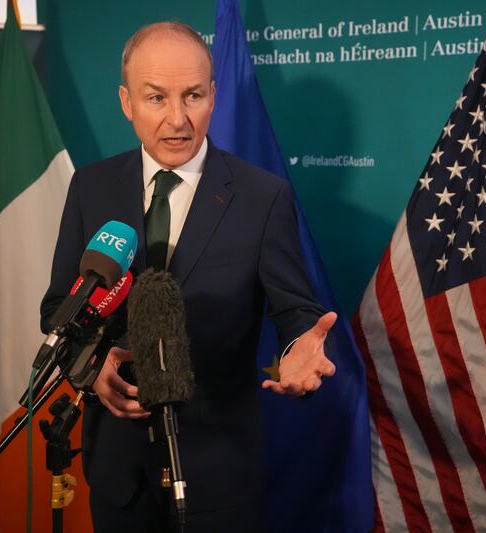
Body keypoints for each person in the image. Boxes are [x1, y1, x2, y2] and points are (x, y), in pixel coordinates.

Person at [41, 21, 336, 533]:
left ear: (214, 95)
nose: (178, 119)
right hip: (117, 470)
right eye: (156, 98)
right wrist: (89, 369)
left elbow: (295, 312)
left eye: (193, 95)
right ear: (126, 102)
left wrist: (297, 354)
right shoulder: (91, 188)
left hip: (217, 469)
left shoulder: (261, 197)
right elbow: (58, 310)